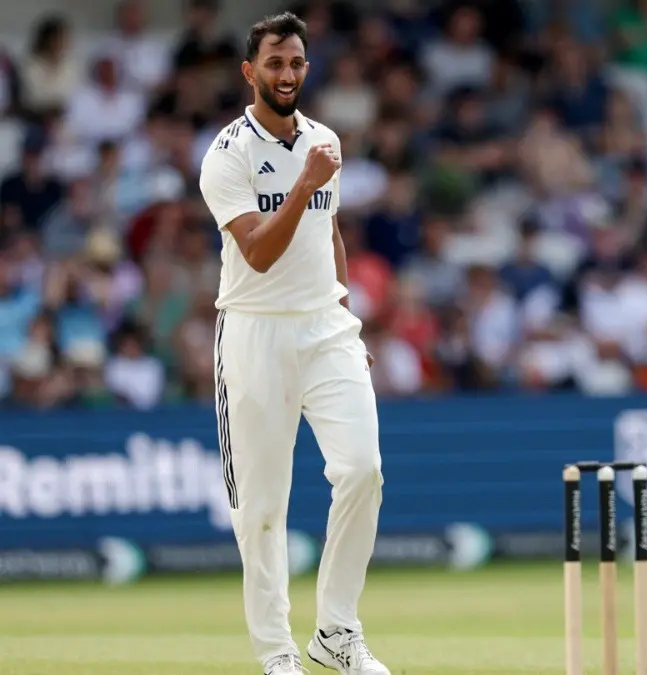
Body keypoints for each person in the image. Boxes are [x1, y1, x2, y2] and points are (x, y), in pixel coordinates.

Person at [197, 12, 390, 675]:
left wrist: (344, 315)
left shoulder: (324, 141)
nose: (286, 74)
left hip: (324, 327)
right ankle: (278, 652)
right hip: (255, 330)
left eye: (296, 63)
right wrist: (305, 182)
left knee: (362, 470)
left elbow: (327, 233)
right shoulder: (227, 154)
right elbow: (257, 252)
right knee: (262, 507)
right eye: (274, 63)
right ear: (250, 71)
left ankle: (337, 631)